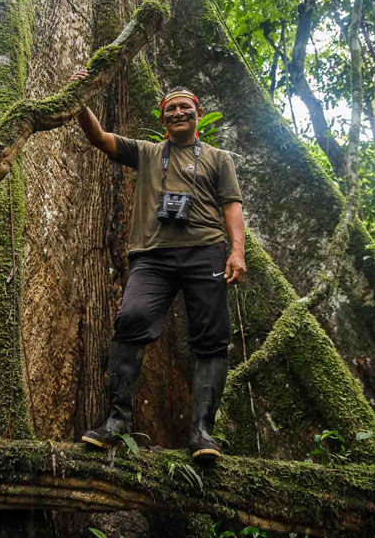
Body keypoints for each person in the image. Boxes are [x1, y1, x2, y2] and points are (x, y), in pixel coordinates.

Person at [72, 72, 246, 460]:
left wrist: (237, 252)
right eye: (171, 109)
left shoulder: (219, 159)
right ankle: (117, 420)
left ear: (198, 113)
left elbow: (232, 206)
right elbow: (99, 138)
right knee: (132, 318)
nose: (179, 112)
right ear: (162, 117)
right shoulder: (148, 152)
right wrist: (80, 98)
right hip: (152, 255)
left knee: (211, 338)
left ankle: (202, 433)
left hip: (206, 251)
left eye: (186, 107)